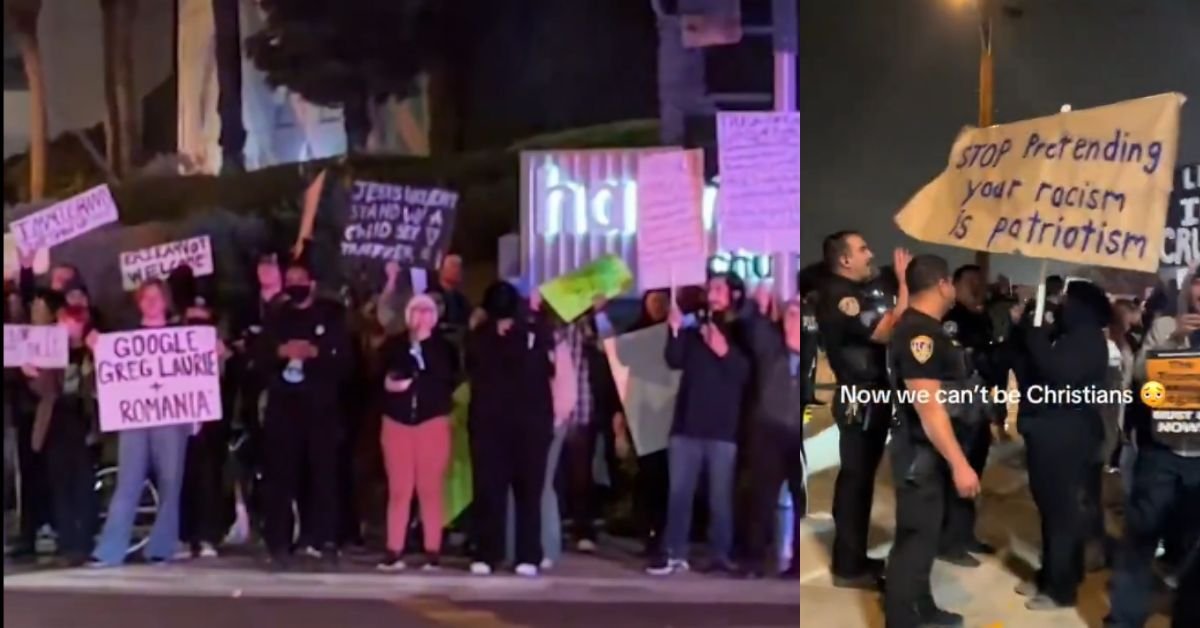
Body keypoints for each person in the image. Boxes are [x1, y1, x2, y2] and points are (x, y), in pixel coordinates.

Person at [884, 254, 981, 628]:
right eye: (951, 283)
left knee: (923, 537)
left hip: (926, 452)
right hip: (920, 453)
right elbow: (929, 407)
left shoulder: (918, 325)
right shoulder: (920, 334)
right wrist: (960, 464)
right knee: (915, 540)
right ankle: (903, 620)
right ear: (943, 284)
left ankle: (920, 608)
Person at [816, 230, 910, 589]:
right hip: (862, 397)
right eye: (863, 249)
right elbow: (887, 331)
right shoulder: (841, 297)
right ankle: (849, 566)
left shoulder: (847, 293)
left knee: (859, 480)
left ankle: (852, 558)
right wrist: (903, 284)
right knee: (856, 481)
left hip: (869, 396)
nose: (870, 254)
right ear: (844, 259)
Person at [1106, 269, 1200, 628]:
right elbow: (1144, 382)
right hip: (1161, 452)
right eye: (1198, 281)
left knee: (1191, 554)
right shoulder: (1164, 326)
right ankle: (1124, 620)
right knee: (1139, 542)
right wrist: (1175, 341)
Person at [647, 273, 752, 577]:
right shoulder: (696, 328)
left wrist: (725, 351)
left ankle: (720, 554)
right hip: (686, 426)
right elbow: (674, 359)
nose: (712, 292)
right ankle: (674, 553)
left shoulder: (741, 329)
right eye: (711, 287)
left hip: (722, 428)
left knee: (720, 498)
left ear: (733, 294)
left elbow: (746, 375)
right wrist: (675, 328)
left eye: (719, 288)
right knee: (679, 494)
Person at [1017, 279, 1112, 610]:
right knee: (1053, 510)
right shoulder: (1074, 336)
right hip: (1056, 432)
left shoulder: (1086, 339)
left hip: (1066, 435)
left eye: (1067, 301)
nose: (1061, 305)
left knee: (1061, 513)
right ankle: (1054, 575)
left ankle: (1060, 590)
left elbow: (1057, 371)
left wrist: (1036, 334)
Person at [91, 280, 193, 567]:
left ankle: (161, 548)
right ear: (138, 303)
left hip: (171, 418)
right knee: (128, 481)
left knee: (171, 482)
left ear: (166, 301)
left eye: (156, 297)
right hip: (135, 418)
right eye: (145, 297)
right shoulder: (125, 339)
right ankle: (110, 550)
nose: (150, 302)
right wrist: (97, 349)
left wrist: (215, 350)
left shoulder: (181, 336)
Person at [259, 256, 351, 569]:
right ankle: (279, 543)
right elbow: (260, 357)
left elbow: (345, 360)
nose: (295, 285)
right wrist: (279, 351)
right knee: (281, 477)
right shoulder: (276, 315)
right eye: (290, 279)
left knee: (323, 476)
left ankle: (324, 539)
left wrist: (317, 353)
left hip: (320, 409)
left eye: (301, 279)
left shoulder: (331, 315)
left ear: (312, 282)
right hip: (284, 408)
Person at [466, 281, 555, 577]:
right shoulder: (480, 337)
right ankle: (488, 552)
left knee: (529, 491)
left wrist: (533, 319)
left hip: (530, 426)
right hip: (490, 426)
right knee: (489, 490)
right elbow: (475, 368)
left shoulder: (534, 334)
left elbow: (545, 364)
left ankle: (528, 554)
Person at [376, 294, 459, 571]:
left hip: (431, 422)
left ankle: (432, 548)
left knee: (430, 489)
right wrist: (390, 385)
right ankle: (394, 549)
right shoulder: (393, 346)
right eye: (416, 311)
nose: (421, 317)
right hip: (397, 422)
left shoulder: (444, 349)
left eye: (427, 311)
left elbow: (448, 380)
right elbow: (378, 377)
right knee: (400, 489)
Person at [23, 304, 98, 566]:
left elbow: (99, 388)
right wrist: (32, 372)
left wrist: (94, 355)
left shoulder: (91, 351)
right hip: (55, 423)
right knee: (60, 485)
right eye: (65, 321)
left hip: (82, 422)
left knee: (84, 485)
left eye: (76, 321)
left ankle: (85, 541)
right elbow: (43, 391)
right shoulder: (50, 351)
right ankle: (68, 544)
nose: (70, 326)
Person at [937, 264, 1001, 567]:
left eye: (981, 281)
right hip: (958, 406)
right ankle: (948, 542)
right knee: (955, 474)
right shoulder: (951, 319)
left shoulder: (982, 316)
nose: (978, 286)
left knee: (974, 472)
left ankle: (964, 534)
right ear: (956, 285)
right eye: (972, 281)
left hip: (980, 405)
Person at [741, 287, 805, 579]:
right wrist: (757, 304)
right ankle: (753, 560)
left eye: (799, 315)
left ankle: (798, 565)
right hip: (769, 433)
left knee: (804, 503)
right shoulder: (771, 348)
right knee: (761, 500)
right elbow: (752, 327)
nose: (794, 321)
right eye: (790, 314)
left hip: (803, 437)